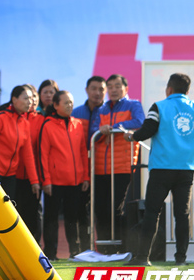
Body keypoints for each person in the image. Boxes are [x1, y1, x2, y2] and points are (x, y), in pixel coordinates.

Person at [124, 73, 194, 266]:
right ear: (188, 91)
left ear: (169, 89)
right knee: (182, 215)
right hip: (185, 170)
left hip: (162, 169)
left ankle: (142, 258)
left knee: (152, 213)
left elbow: (146, 131)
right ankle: (180, 259)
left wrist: (132, 137)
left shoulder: (159, 107)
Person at [90, 74, 144, 254]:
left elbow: (139, 122)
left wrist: (113, 128)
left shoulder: (133, 105)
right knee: (100, 210)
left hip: (121, 167)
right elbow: (93, 130)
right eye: (110, 86)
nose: (113, 89)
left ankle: (120, 247)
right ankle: (104, 249)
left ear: (126, 89)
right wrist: (102, 131)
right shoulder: (102, 109)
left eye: (117, 86)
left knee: (115, 208)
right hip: (100, 167)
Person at [39, 91, 90, 260]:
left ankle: (75, 252)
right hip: (54, 182)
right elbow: (43, 154)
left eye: (71, 102)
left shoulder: (78, 124)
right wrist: (46, 180)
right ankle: (51, 253)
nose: (70, 106)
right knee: (51, 219)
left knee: (72, 218)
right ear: (56, 105)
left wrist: (85, 177)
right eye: (66, 103)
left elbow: (83, 152)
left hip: (75, 181)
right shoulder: (48, 125)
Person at [0, 85, 39, 201]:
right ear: (14, 99)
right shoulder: (0, 117)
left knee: (6, 207)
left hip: (11, 176)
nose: (30, 102)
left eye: (31, 98)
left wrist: (34, 181)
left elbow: (28, 156)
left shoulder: (25, 124)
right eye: (26, 98)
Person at [71, 76, 107, 253]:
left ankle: (103, 249)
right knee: (81, 211)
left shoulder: (109, 112)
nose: (98, 93)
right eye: (94, 88)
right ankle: (84, 249)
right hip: (81, 170)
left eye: (101, 89)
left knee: (102, 209)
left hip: (103, 168)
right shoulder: (76, 113)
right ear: (86, 90)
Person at [15, 84, 45, 243]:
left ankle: (35, 247)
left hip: (34, 174)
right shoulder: (13, 117)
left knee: (34, 213)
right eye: (27, 97)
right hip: (13, 174)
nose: (31, 100)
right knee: (15, 212)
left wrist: (37, 178)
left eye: (34, 97)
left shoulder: (41, 120)